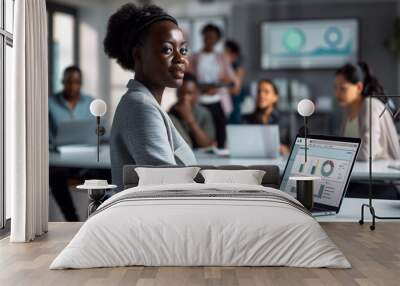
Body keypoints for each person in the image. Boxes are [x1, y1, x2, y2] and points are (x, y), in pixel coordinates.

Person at [104, 3, 197, 187]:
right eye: (167, 49)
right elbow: (167, 188)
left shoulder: (145, 103)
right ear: (138, 55)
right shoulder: (141, 107)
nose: (180, 58)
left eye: (183, 49)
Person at [48, 66, 94, 222]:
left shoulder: (91, 103)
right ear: (63, 82)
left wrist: (100, 132)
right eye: (69, 82)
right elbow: (44, 135)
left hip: (86, 159)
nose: (73, 86)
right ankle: (73, 221)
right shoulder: (50, 103)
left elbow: (100, 132)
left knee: (107, 173)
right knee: (55, 177)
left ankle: (95, 221)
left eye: (77, 82)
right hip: (60, 160)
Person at [335, 62, 400, 161]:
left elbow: (367, 152)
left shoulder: (370, 105)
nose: (337, 93)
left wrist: (338, 153)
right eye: (335, 87)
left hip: (381, 173)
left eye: (343, 89)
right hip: (358, 172)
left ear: (359, 87)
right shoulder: (348, 108)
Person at [189, 24, 238, 148]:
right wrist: (201, 87)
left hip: (218, 101)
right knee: (200, 135)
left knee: (220, 136)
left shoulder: (222, 58)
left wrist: (217, 86)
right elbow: (189, 79)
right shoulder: (194, 57)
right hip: (200, 100)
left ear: (217, 40)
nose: (209, 40)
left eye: (212, 37)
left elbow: (232, 81)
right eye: (206, 36)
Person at [243, 79, 290, 155]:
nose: (261, 95)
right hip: (252, 161)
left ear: (275, 97)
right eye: (259, 91)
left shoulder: (285, 120)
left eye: (266, 92)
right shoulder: (246, 119)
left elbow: (295, 146)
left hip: (278, 162)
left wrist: (285, 149)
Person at [169, 73, 216, 148]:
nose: (185, 97)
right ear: (177, 93)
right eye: (182, 93)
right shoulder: (171, 115)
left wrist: (190, 120)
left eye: (189, 93)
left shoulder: (204, 113)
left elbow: (208, 144)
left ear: (196, 94)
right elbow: (184, 145)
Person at [224, 40, 246, 124]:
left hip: (234, 105)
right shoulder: (223, 68)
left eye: (226, 52)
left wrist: (219, 90)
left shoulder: (238, 70)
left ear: (234, 55)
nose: (223, 55)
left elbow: (236, 90)